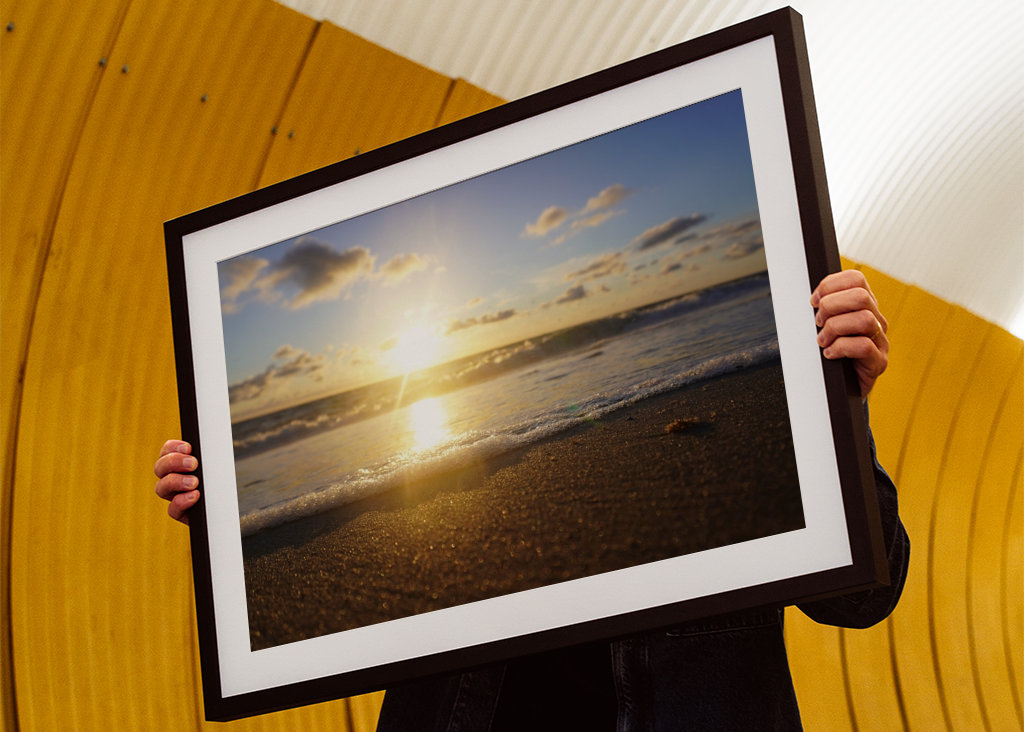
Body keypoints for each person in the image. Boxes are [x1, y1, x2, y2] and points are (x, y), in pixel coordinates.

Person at [155, 270, 908, 730]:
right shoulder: (437, 494)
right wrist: (230, 515)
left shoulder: (771, 403)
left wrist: (839, 402)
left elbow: (864, 596)